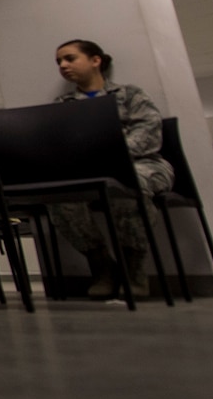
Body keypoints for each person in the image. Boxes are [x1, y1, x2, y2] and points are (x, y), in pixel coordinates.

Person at [48, 39, 171, 299]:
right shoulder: (64, 104)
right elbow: (59, 144)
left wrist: (109, 155)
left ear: (96, 60)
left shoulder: (130, 95)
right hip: (88, 171)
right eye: (59, 61)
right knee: (59, 197)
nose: (63, 65)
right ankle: (102, 266)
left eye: (70, 58)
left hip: (141, 164)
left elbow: (148, 134)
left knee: (127, 185)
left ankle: (133, 270)